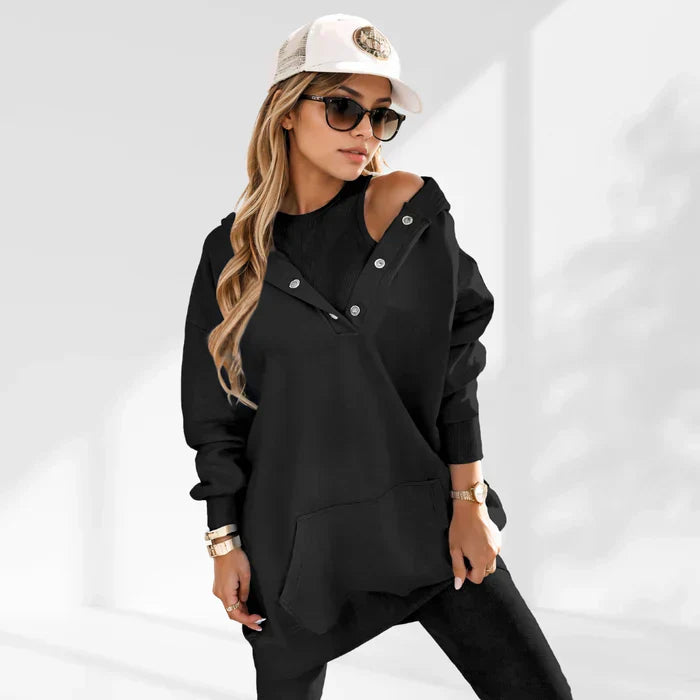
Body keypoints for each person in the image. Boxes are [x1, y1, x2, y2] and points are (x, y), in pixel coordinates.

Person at [180, 12, 574, 700]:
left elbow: (456, 365)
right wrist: (224, 542)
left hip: (424, 521)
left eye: (381, 115)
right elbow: (217, 415)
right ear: (286, 111)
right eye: (343, 108)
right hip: (297, 548)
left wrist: (469, 499)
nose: (365, 130)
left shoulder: (405, 206)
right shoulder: (232, 253)